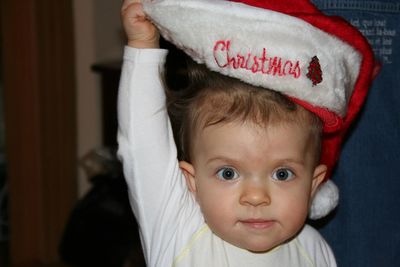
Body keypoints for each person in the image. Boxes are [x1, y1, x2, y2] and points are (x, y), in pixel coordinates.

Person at [117, 0, 375, 266]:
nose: (256, 196)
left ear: (312, 185)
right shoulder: (177, 229)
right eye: (228, 173)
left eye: (282, 174)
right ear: (192, 183)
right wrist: (142, 46)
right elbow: (142, 146)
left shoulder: (314, 250)